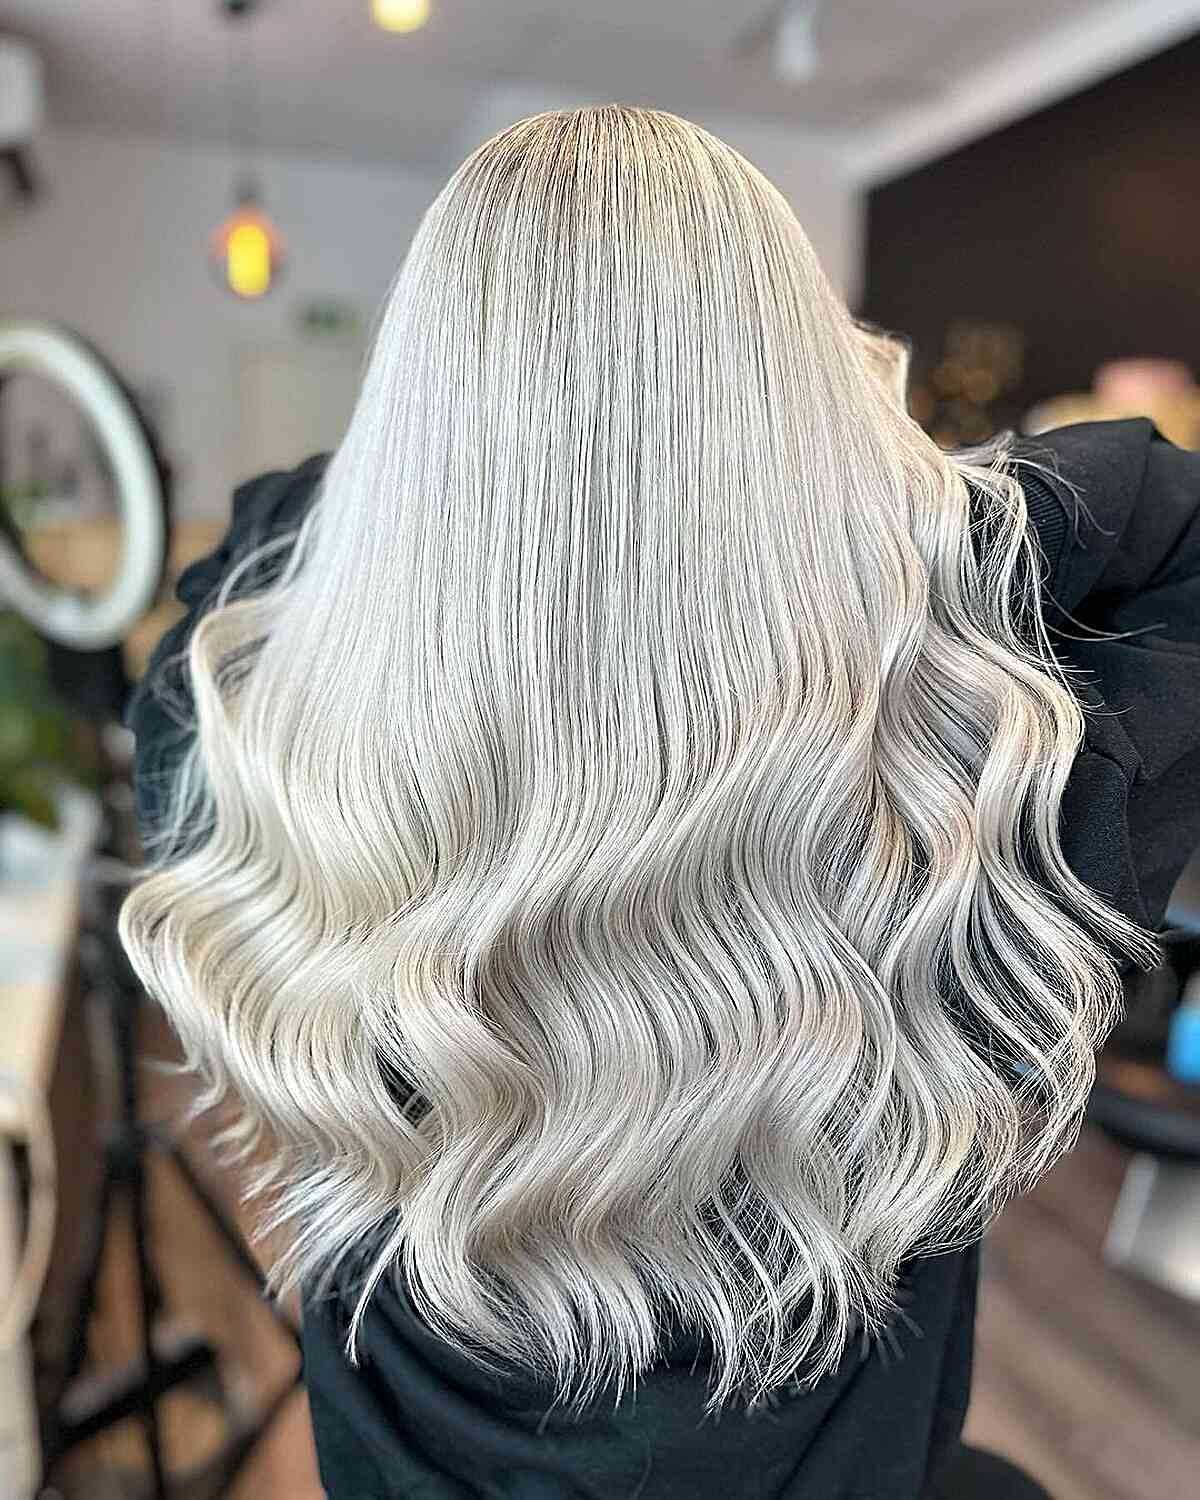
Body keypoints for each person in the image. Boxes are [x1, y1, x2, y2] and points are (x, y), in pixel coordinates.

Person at [116, 106, 1200, 1499]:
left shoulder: (250, 773)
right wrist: (898, 518)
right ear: (807, 390)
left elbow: (246, 555)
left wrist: (476, 491)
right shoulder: (989, 802)